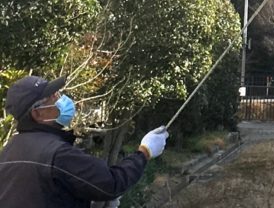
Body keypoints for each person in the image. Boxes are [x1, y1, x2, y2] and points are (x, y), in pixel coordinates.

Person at [0, 75, 169, 207]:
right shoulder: (57, 153)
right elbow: (111, 183)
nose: (60, 98)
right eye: (52, 96)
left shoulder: (8, 151)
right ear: (37, 113)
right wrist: (144, 152)